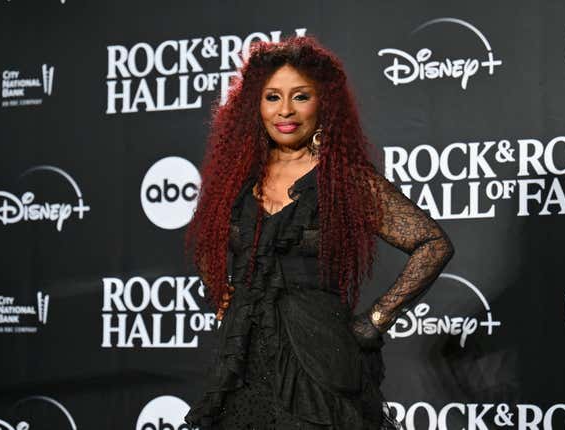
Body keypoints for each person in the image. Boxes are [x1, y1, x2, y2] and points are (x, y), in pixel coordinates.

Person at [183, 35, 454, 430]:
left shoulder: (345, 181)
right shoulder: (235, 180)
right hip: (241, 362)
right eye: (272, 97)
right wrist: (226, 299)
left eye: (301, 96)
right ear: (254, 105)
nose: (285, 110)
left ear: (323, 102)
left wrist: (376, 318)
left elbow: (432, 244)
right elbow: (207, 243)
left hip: (319, 362)